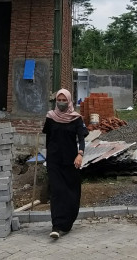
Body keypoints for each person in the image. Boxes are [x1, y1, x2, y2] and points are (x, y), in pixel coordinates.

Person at [43, 88, 88, 239]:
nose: (61, 103)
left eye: (64, 100)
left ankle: (67, 223)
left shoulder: (76, 118)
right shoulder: (50, 117)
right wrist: (47, 157)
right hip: (54, 161)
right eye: (59, 100)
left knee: (71, 193)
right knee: (57, 191)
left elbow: (81, 139)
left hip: (71, 161)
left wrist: (80, 154)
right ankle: (56, 225)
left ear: (69, 101)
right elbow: (48, 139)